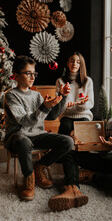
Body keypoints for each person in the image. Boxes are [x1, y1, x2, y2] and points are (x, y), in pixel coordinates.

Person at [3, 55, 88, 211]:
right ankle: (29, 179)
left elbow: (52, 116)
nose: (32, 77)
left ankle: (40, 166)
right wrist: (44, 107)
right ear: (15, 75)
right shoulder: (11, 95)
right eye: (28, 73)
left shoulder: (36, 95)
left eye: (34, 73)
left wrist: (61, 97)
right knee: (24, 141)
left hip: (37, 135)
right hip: (18, 137)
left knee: (67, 142)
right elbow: (23, 120)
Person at [55, 51, 94, 136]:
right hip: (67, 115)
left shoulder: (88, 81)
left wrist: (82, 103)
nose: (74, 64)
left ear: (81, 65)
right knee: (65, 126)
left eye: (78, 62)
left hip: (84, 115)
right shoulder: (60, 81)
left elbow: (91, 103)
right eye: (72, 61)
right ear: (68, 63)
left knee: (83, 131)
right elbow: (59, 105)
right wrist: (65, 104)